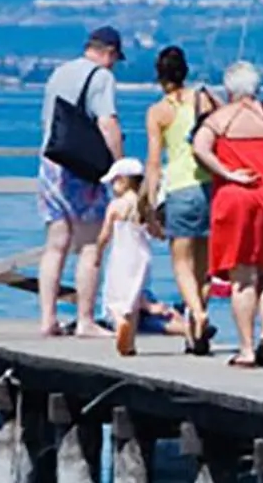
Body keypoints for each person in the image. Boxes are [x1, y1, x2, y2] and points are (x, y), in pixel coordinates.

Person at [193, 61, 263, 367]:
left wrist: (228, 172)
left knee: (242, 277)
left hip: (235, 198)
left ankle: (246, 347)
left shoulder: (220, 119)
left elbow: (200, 149)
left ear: (229, 89)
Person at [36, 25, 125, 337]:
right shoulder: (102, 78)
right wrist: (119, 165)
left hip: (51, 165)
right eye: (114, 57)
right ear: (109, 52)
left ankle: (47, 318)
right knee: (90, 245)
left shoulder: (59, 72)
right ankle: (85, 319)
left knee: (55, 245)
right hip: (82, 169)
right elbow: (107, 122)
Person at [143, 44, 217, 356]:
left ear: (159, 77)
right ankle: (195, 334)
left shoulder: (158, 111)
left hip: (181, 189)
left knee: (181, 263)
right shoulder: (206, 99)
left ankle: (197, 314)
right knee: (204, 266)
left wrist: (147, 205)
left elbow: (154, 164)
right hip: (211, 187)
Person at [99, 156, 154, 356]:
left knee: (113, 298)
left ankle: (119, 322)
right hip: (142, 257)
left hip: (121, 256)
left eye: (113, 182)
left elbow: (105, 235)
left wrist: (97, 253)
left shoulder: (116, 205)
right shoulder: (144, 205)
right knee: (133, 300)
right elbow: (157, 231)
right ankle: (129, 344)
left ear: (122, 180)